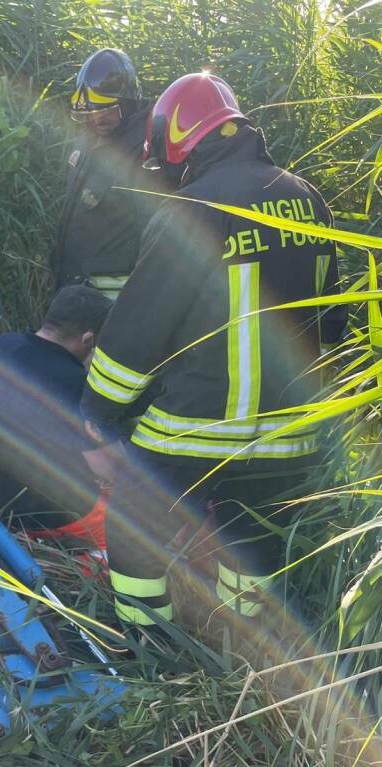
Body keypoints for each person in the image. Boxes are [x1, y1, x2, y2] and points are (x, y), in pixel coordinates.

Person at [80, 73, 346, 629]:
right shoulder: (306, 198)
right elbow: (335, 322)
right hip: (288, 434)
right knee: (252, 545)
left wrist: (99, 413)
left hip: (194, 426)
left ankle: (146, 647)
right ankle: (239, 649)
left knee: (134, 524)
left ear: (179, 142)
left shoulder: (190, 208)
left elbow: (137, 333)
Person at [0, 286, 113, 551]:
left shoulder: (3, 345)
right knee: (125, 530)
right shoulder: (75, 383)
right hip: (41, 511)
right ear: (88, 339)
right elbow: (103, 468)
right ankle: (89, 561)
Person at [53, 48, 162, 300]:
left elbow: (158, 234)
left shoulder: (148, 149)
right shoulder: (87, 142)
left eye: (107, 109)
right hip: (77, 288)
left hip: (120, 300)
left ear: (128, 102)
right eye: (91, 112)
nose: (98, 118)